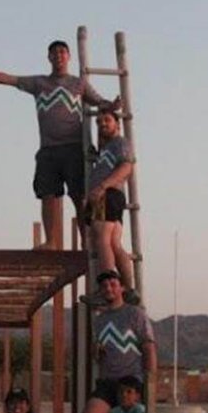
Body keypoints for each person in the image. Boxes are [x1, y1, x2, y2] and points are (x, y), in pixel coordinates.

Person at [0, 40, 118, 249]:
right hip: (48, 149)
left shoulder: (79, 84)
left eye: (62, 52)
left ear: (68, 57)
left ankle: (86, 241)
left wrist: (112, 105)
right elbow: (8, 79)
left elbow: (100, 102)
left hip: (73, 147)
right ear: (49, 58)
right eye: (54, 53)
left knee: (79, 196)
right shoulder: (39, 83)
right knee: (47, 194)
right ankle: (51, 240)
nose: (58, 56)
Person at [81, 269, 156, 413]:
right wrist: (96, 353)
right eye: (104, 285)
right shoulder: (100, 320)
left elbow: (148, 348)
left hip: (131, 381)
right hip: (108, 381)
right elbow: (99, 355)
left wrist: (150, 382)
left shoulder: (135, 314)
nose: (108, 288)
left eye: (113, 284)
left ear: (122, 288)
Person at [84, 109, 137, 305]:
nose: (102, 124)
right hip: (110, 196)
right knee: (114, 243)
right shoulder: (107, 148)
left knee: (102, 240)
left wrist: (102, 187)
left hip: (107, 195)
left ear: (118, 123)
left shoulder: (120, 143)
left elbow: (126, 167)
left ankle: (105, 285)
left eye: (107, 120)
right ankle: (129, 288)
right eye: (98, 122)